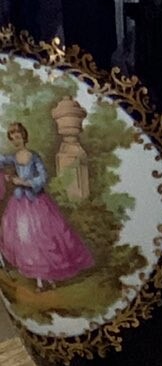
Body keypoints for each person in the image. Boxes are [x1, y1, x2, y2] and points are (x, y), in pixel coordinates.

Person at [0, 121, 93, 288]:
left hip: (37, 201)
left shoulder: (34, 156)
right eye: (12, 138)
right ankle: (39, 279)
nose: (16, 141)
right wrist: (8, 178)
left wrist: (24, 182)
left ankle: (47, 276)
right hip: (19, 203)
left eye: (18, 137)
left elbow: (43, 178)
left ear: (24, 137)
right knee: (25, 238)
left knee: (43, 237)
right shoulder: (13, 158)